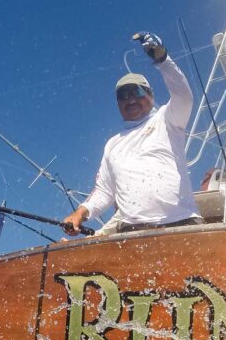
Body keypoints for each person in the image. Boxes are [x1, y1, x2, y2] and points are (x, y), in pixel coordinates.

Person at [64, 32, 201, 235]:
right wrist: (80, 213)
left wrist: (163, 60)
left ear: (150, 94)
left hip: (182, 224)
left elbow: (184, 96)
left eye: (137, 92)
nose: (130, 99)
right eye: (123, 95)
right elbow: (104, 191)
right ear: (118, 103)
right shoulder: (112, 144)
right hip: (131, 232)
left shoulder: (167, 119)